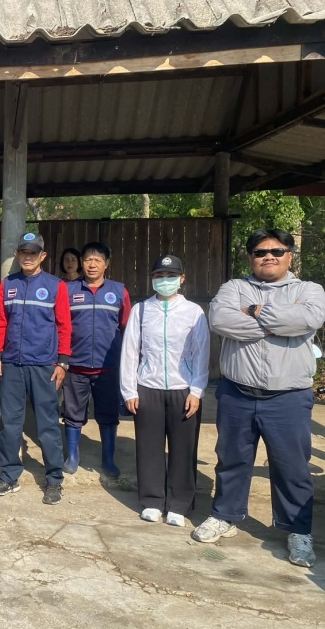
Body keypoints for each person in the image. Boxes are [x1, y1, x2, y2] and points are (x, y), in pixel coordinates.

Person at [192, 229, 325, 568]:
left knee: (292, 466)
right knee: (231, 459)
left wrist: (252, 312)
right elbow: (220, 320)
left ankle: (298, 530)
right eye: (260, 252)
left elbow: (310, 318)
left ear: (290, 256)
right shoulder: (234, 288)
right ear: (250, 257)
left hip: (288, 397)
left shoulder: (309, 291)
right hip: (237, 393)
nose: (269, 256)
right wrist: (280, 322)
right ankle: (225, 515)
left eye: (277, 251)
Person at [120, 255, 209, 526]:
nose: (165, 281)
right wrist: (129, 390)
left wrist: (197, 390)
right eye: (159, 276)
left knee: (183, 449)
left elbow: (201, 353)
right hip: (148, 387)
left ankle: (179, 504)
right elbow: (130, 350)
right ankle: (152, 500)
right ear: (152, 279)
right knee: (149, 447)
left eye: (170, 276)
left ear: (182, 278)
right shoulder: (141, 310)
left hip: (184, 389)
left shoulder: (193, 312)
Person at [0, 233, 72, 505]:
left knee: (47, 424)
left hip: (43, 365)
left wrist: (63, 361)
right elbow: (0, 322)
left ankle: (54, 479)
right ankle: (9, 476)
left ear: (42, 256)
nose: (28, 257)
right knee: (10, 424)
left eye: (33, 253)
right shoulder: (8, 285)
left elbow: (64, 326)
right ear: (17, 254)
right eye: (23, 252)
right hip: (12, 364)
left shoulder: (56, 286)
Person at [62, 241, 131, 477]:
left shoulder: (119, 291)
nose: (92, 265)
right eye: (88, 260)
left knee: (108, 415)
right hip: (75, 366)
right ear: (82, 263)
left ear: (106, 264)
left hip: (107, 367)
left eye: (97, 260)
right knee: (72, 414)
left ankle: (108, 460)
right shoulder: (68, 290)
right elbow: (61, 326)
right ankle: (72, 457)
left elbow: (127, 328)